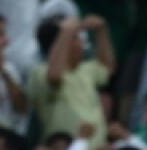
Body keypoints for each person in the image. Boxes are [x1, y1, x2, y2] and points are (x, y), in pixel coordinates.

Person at [28, 14, 114, 142]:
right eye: (76, 38)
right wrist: (67, 31)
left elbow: (108, 68)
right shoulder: (39, 72)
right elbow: (54, 76)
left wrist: (101, 32)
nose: (82, 42)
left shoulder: (85, 69)